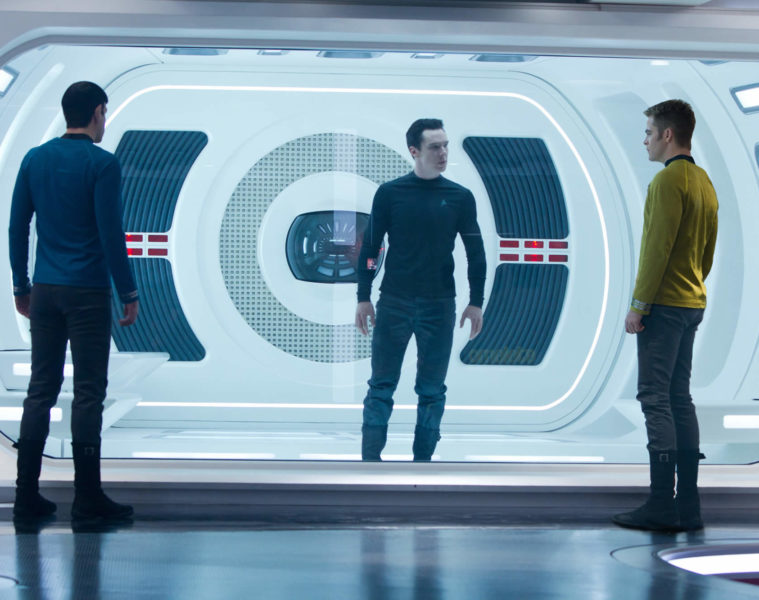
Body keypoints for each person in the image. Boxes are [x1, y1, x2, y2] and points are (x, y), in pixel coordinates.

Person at [9, 81, 139, 521]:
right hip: (87, 292)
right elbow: (110, 234)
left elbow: (17, 227)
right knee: (88, 392)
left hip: (45, 292)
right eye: (106, 113)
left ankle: (25, 497)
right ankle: (87, 499)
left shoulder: (35, 159)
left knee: (40, 390)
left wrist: (21, 286)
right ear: (98, 111)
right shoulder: (102, 164)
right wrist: (128, 291)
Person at [613, 99, 718, 531]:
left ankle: (660, 503)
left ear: (667, 135)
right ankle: (688, 507)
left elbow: (655, 250)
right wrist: (691, 284)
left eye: (648, 133)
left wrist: (639, 306)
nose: (645, 141)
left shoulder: (666, 182)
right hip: (692, 302)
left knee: (654, 398)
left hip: (665, 305)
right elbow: (707, 252)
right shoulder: (704, 181)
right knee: (680, 399)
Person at [355, 118, 486, 461]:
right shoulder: (390, 194)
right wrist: (363, 296)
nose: (443, 153)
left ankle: (423, 466)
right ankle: (370, 465)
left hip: (439, 306)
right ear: (414, 151)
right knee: (381, 386)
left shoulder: (460, 197)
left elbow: (476, 253)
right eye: (435, 147)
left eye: (445, 145)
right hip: (394, 302)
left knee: (431, 390)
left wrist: (476, 302)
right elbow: (370, 247)